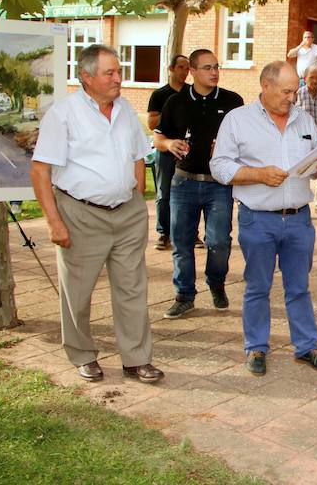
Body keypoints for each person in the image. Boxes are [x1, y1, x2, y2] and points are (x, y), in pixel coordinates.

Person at [30, 44, 163, 384]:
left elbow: (138, 155)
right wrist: (54, 221)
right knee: (78, 290)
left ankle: (137, 359)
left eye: (119, 71)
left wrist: (136, 195)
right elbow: (41, 170)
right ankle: (82, 354)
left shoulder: (125, 110)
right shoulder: (64, 114)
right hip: (81, 214)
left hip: (127, 214)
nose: (119, 78)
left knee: (133, 288)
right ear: (87, 78)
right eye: (110, 73)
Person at [210, 60, 317, 376]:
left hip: (298, 220)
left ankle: (307, 347)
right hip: (258, 220)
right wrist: (257, 174)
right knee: (257, 286)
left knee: (299, 287)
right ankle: (256, 347)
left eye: (295, 91)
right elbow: (219, 166)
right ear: (265, 86)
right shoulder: (237, 121)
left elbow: (316, 156)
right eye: (286, 91)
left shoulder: (303, 119)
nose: (292, 98)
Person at [154, 49, 244, 319]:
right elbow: (158, 139)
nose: (214, 72)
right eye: (207, 67)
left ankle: (216, 283)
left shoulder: (232, 101)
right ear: (192, 71)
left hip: (219, 185)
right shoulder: (175, 102)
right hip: (184, 183)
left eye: (216, 66)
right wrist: (169, 144)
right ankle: (184, 295)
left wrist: (229, 147)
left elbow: (247, 140)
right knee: (181, 243)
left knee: (219, 242)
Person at [147, 54, 190, 251]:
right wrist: (170, 110)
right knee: (164, 192)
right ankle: (163, 233)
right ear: (171, 69)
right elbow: (151, 123)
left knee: (189, 193)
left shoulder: (191, 93)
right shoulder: (160, 94)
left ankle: (190, 233)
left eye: (187, 68)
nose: (184, 71)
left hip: (187, 151)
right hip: (164, 149)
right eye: (180, 67)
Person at [297, 65, 317, 215]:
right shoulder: (298, 94)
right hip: (303, 138)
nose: (315, 80)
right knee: (303, 169)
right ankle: (300, 203)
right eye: (312, 77)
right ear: (305, 78)